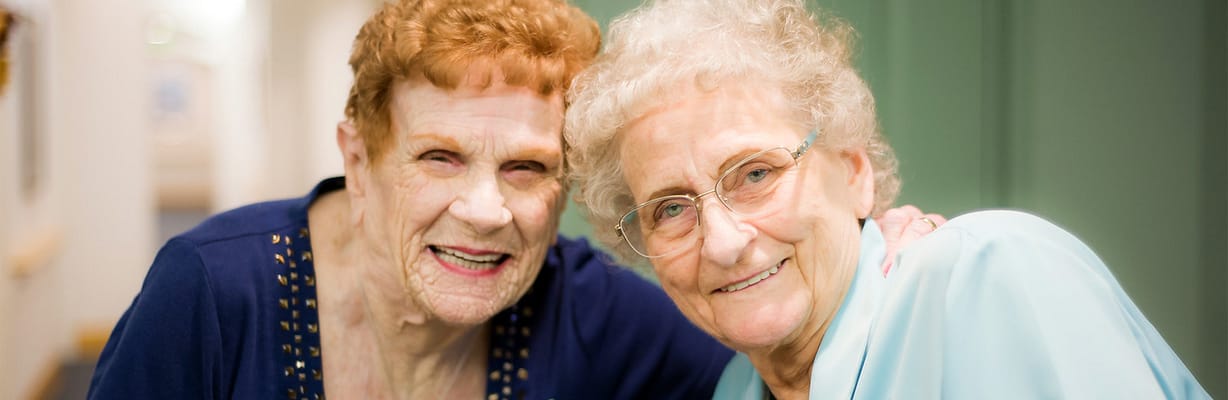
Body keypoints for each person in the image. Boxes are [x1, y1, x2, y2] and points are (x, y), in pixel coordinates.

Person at [87, 0, 941, 398]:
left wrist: (873, 255)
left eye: (527, 169)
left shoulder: (594, 314)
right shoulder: (212, 293)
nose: (486, 209)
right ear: (359, 155)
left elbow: (774, 346)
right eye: (440, 156)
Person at [563, 0, 1211, 399]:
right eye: (671, 209)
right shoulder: (737, 389)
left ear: (854, 172)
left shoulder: (989, 277)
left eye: (756, 174)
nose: (726, 242)